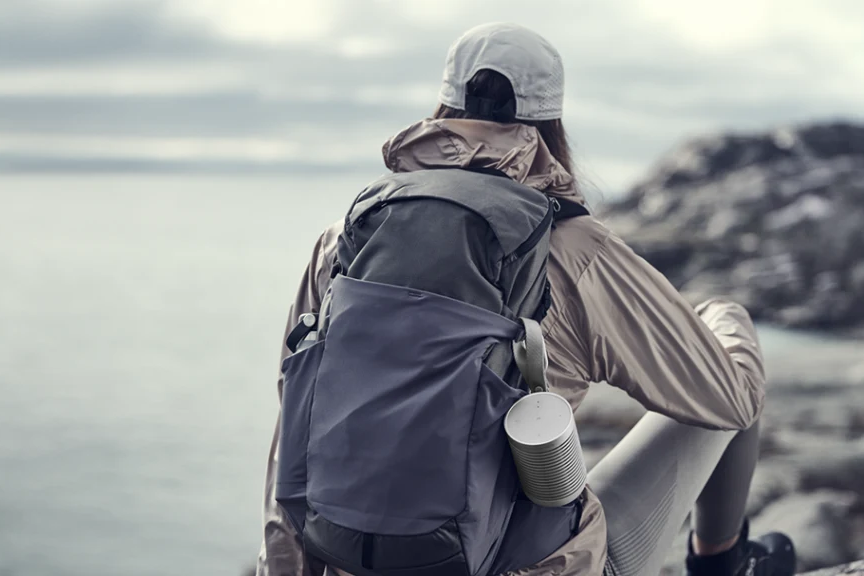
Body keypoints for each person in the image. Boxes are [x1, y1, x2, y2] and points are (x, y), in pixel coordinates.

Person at [257, 22, 796, 576]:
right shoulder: (572, 249)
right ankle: (724, 563)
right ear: (551, 123)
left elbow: (293, 429)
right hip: (527, 564)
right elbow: (730, 403)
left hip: (351, 558)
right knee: (726, 326)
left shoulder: (345, 241)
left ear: (443, 107)